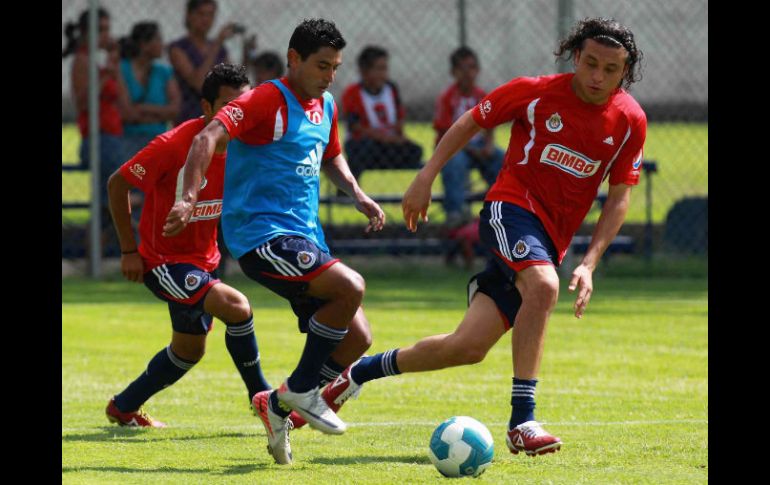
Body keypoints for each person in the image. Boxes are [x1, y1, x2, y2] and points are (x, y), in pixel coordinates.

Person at [331, 17, 647, 457]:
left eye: (609, 70)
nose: (596, 76)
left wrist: (590, 262)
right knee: (544, 284)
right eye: (589, 63)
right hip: (510, 209)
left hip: (548, 240)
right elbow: (468, 123)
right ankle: (523, 421)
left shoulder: (630, 120)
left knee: (467, 347)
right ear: (576, 57)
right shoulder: (534, 92)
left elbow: (619, 197)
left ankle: (358, 374)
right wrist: (426, 176)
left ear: (624, 73)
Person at [163, 19, 385, 465]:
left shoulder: (326, 104)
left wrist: (356, 192)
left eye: (336, 67)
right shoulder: (264, 99)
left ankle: (278, 404)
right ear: (294, 59)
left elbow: (332, 154)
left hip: (305, 236)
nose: (329, 75)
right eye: (322, 65)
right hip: (259, 234)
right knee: (351, 287)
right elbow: (208, 136)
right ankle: (301, 390)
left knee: (358, 336)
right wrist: (188, 198)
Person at [104, 64, 272, 428]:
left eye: (242, 105)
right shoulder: (175, 144)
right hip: (163, 261)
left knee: (188, 351)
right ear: (207, 107)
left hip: (205, 262)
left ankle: (123, 406)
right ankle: (264, 401)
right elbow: (118, 184)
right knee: (236, 306)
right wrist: (128, 250)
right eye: (227, 105)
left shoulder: (249, 148)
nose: (234, 114)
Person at [63, 7, 125, 230]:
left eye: (108, 30)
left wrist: (112, 66)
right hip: (99, 138)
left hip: (112, 135)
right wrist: (105, 75)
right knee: (120, 197)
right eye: (100, 30)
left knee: (106, 210)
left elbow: (121, 98)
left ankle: (96, 258)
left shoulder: (99, 62)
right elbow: (82, 103)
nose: (106, 35)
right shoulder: (82, 60)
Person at [435, 46, 503, 228]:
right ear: (453, 72)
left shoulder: (481, 95)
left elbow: (490, 126)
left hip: (478, 145)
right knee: (454, 163)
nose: (468, 73)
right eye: (462, 68)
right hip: (455, 147)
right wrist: (471, 149)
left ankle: (501, 206)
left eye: (472, 67)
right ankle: (455, 212)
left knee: (501, 159)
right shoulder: (447, 97)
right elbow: (443, 131)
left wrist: (488, 145)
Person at [341, 45, 423, 182]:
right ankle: (348, 188)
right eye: (379, 69)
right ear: (364, 71)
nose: (383, 74)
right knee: (361, 150)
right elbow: (355, 126)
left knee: (415, 151)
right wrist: (384, 138)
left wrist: (398, 135)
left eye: (385, 68)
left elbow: (399, 117)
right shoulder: (353, 92)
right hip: (365, 143)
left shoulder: (391, 88)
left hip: (387, 145)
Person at [118, 21, 181, 159]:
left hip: (157, 138)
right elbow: (127, 113)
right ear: (143, 44)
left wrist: (143, 108)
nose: (162, 45)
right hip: (127, 138)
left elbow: (174, 110)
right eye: (157, 39)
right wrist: (159, 114)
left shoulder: (164, 71)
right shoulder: (121, 69)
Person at [168, 0, 237, 125]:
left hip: (217, 119)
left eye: (210, 15)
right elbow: (199, 83)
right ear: (189, 16)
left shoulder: (220, 49)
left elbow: (233, 82)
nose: (206, 20)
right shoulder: (178, 48)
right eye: (201, 14)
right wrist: (217, 42)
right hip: (189, 118)